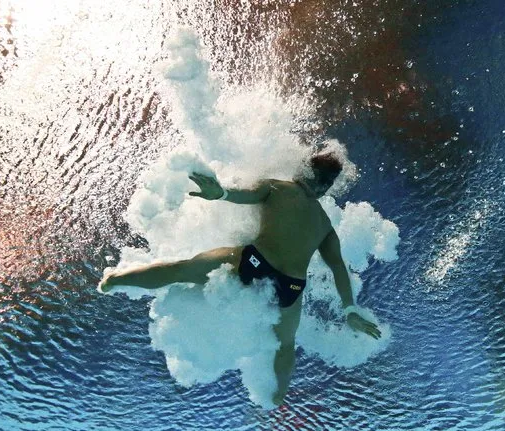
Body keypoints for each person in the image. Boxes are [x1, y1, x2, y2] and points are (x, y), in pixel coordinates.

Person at [99, 153, 381, 405]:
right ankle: (278, 396)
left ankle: (116, 280)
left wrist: (220, 193)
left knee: (181, 270)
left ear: (304, 170)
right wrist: (350, 309)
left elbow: (243, 194)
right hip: (291, 286)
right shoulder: (324, 225)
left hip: (255, 260)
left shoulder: (278, 187)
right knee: (285, 345)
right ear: (325, 188)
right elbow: (338, 269)